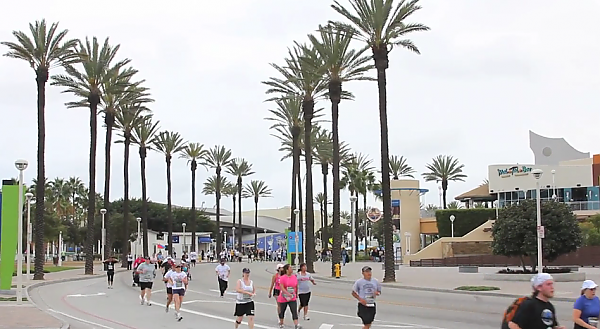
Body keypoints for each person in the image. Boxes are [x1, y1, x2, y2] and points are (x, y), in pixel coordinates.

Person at [277, 264, 301, 329]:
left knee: (294, 311)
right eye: (290, 268)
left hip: (292, 297)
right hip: (283, 297)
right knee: (282, 311)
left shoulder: (294, 277)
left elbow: (296, 286)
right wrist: (287, 294)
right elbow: (282, 288)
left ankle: (296, 324)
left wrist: (296, 293)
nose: (292, 269)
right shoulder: (282, 278)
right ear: (287, 270)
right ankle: (281, 323)